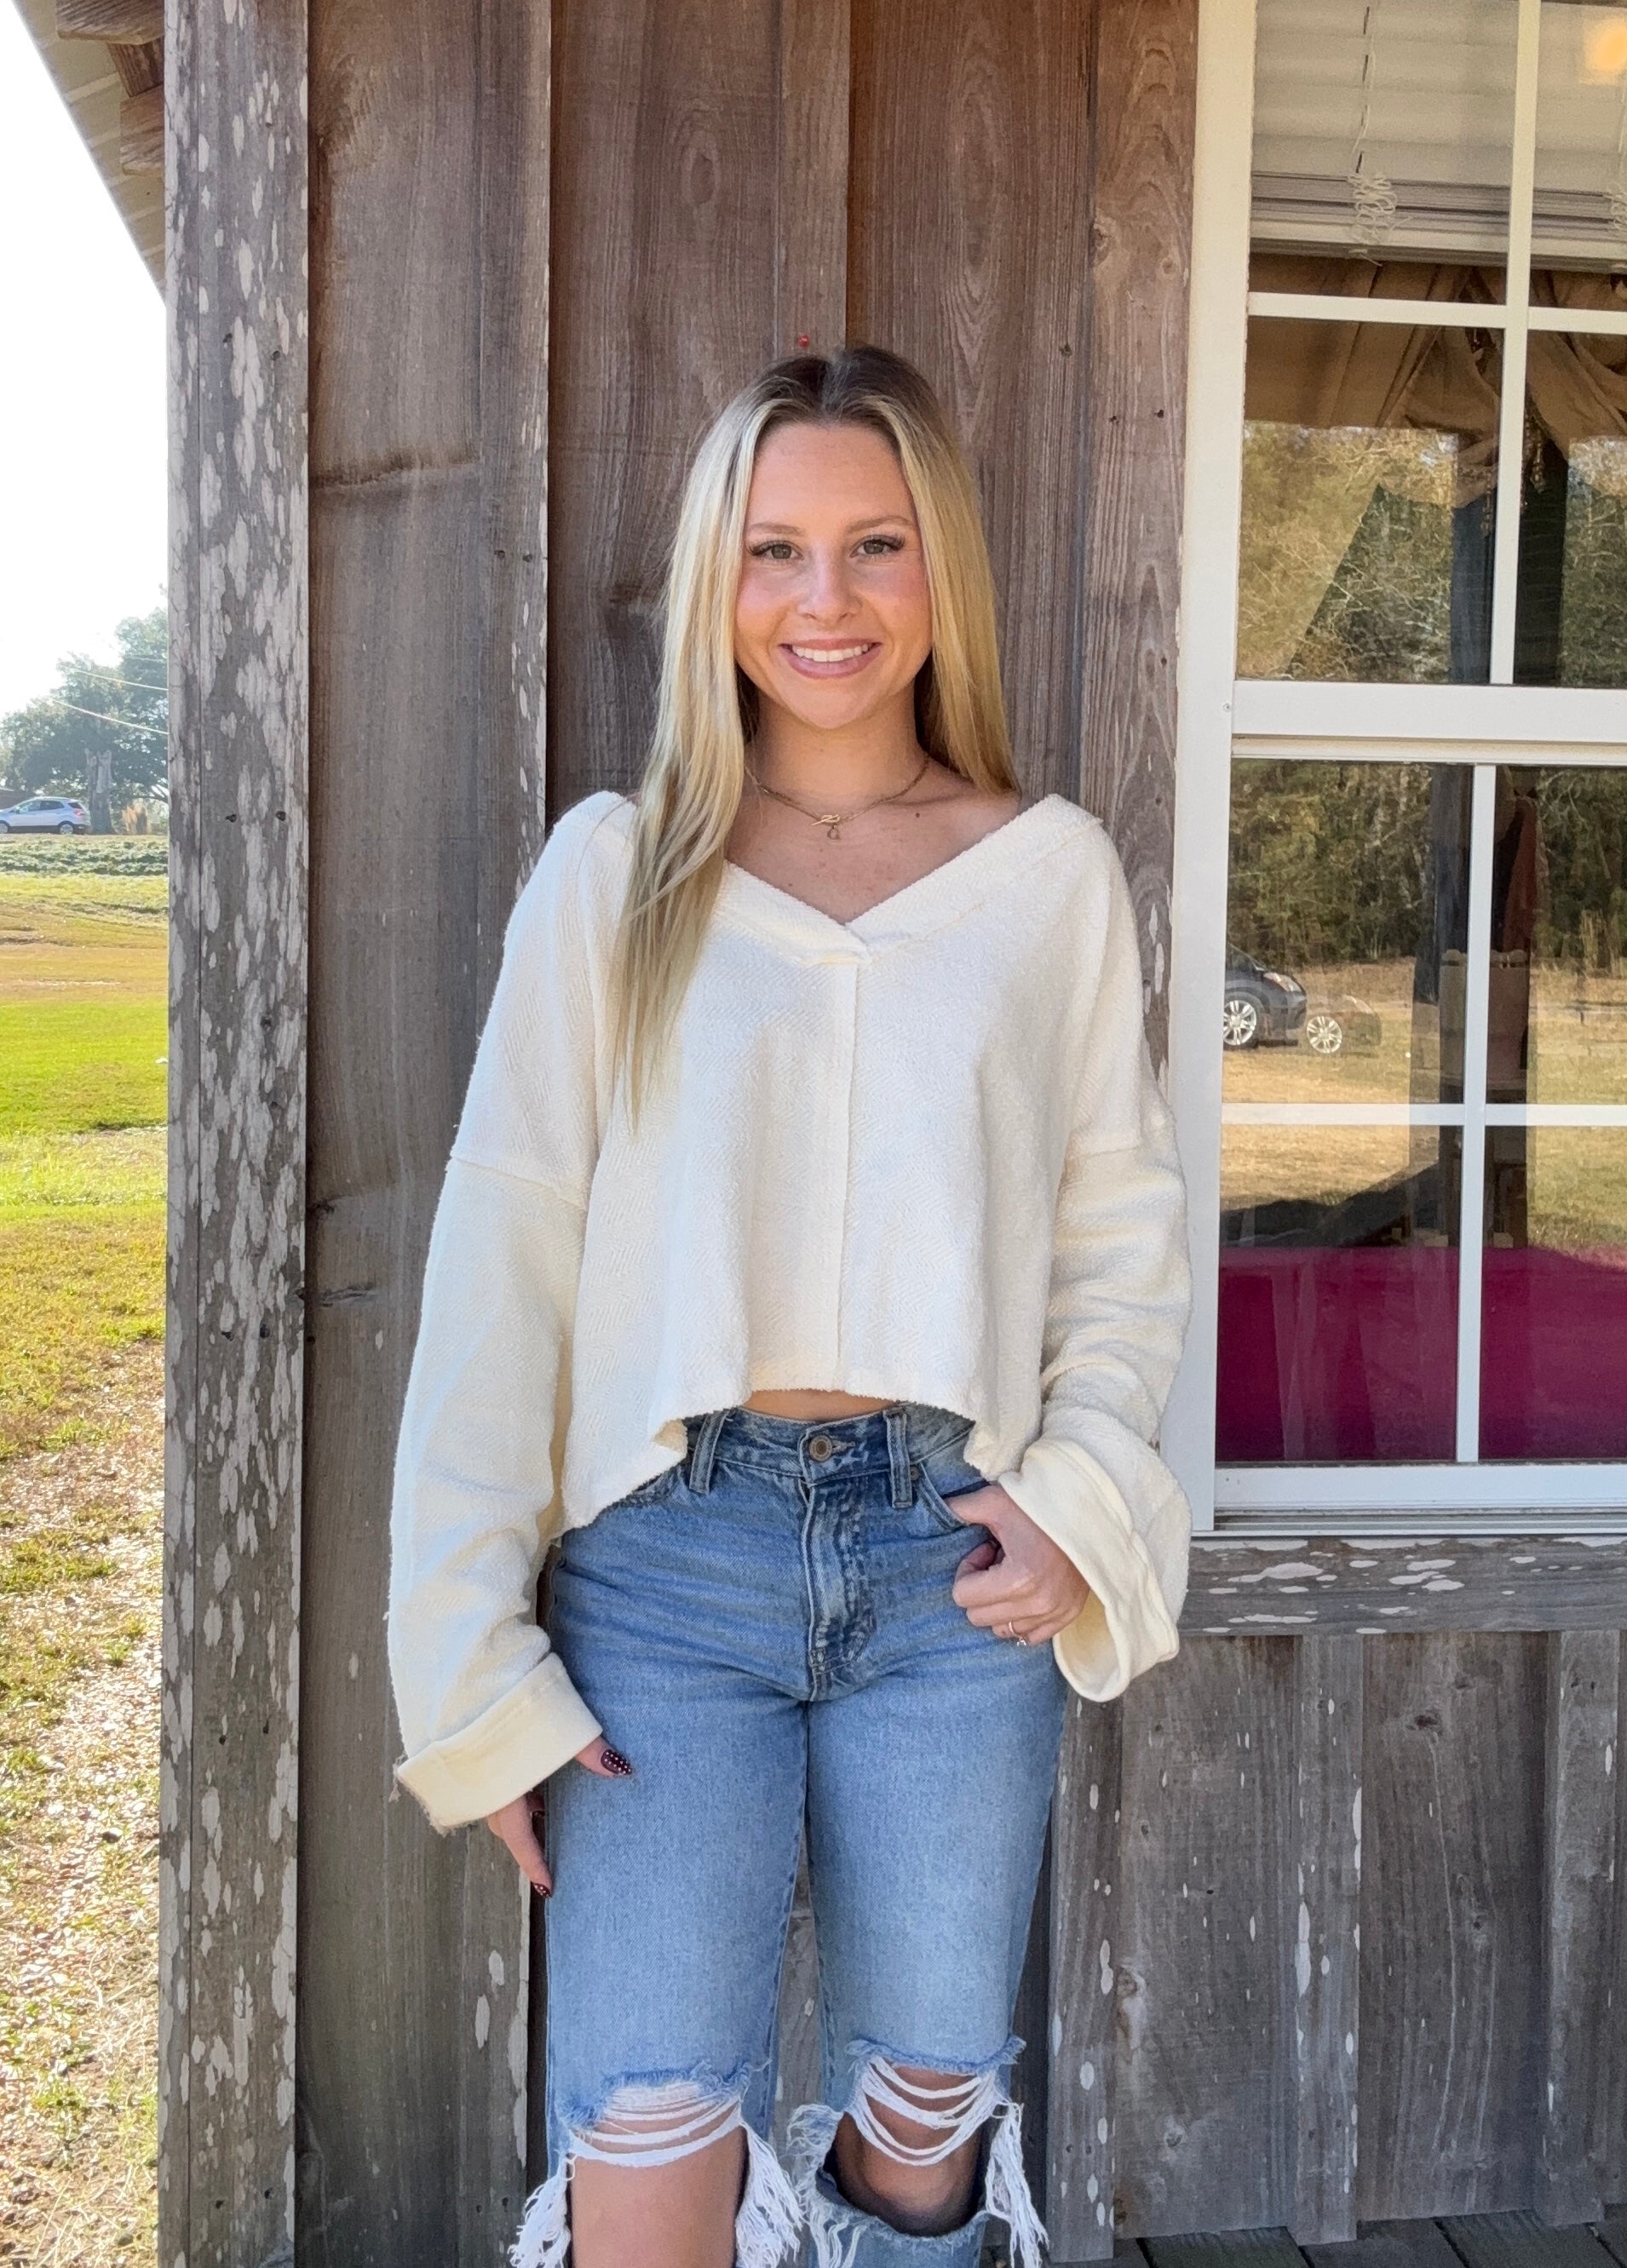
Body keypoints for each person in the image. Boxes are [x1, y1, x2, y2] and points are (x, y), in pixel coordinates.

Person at [388, 346, 1192, 2268]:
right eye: (772, 550)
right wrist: (466, 1663)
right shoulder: (618, 870)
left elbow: (1117, 1227)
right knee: (645, 2136)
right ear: (714, 580)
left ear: (939, 574)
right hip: (664, 1575)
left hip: (948, 1571)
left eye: (870, 545)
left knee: (924, 2120)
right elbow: (503, 1252)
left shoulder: (1045, 876)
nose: (820, 602)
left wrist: (1081, 1499)